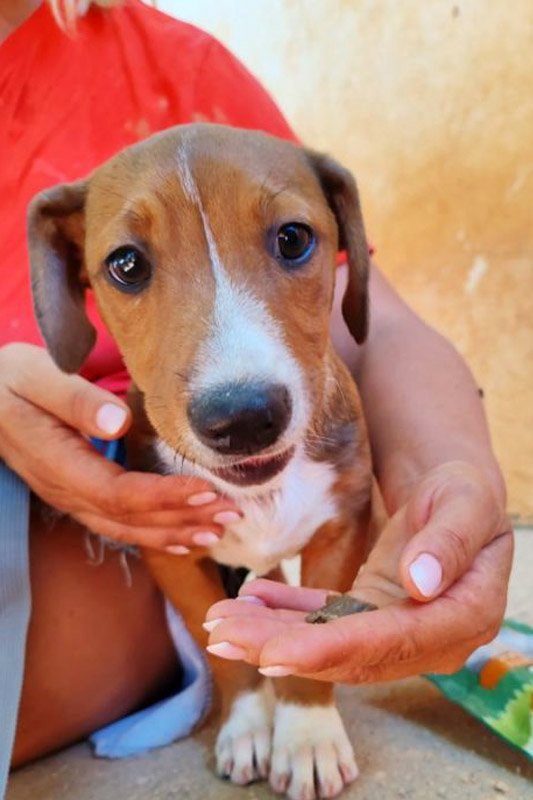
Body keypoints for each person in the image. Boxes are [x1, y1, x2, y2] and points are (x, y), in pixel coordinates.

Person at [0, 0, 512, 781]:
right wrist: (242, 688)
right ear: (73, 270)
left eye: (291, 240)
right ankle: (235, 686)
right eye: (128, 267)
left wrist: (449, 478)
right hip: (95, 532)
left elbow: (379, 334)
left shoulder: (175, 64)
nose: (232, 379)